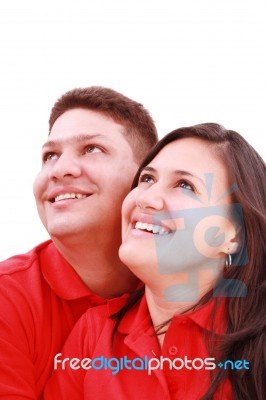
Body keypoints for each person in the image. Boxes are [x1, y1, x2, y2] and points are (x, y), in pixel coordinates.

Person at [43, 123, 266, 400]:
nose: (146, 198)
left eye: (184, 185)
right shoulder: (93, 334)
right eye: (147, 179)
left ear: (231, 235)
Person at [0, 86, 158, 398]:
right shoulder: (9, 300)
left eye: (91, 149)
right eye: (50, 156)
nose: (60, 170)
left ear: (144, 180)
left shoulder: (190, 287)